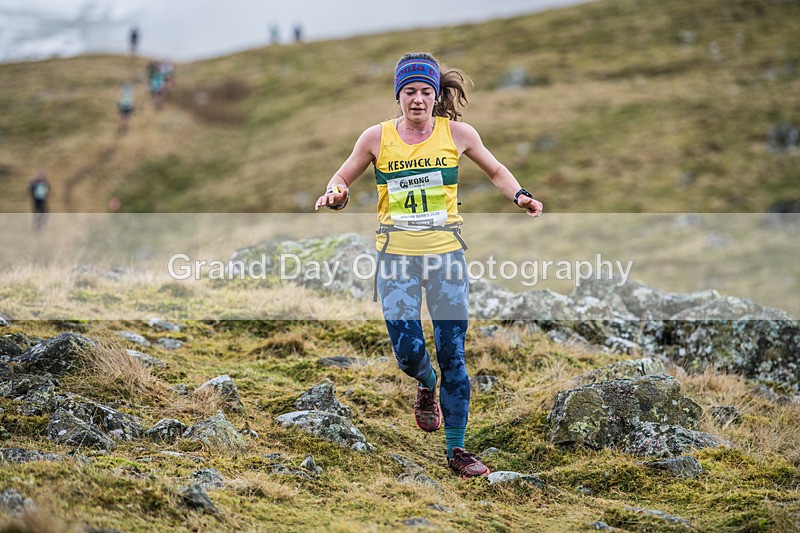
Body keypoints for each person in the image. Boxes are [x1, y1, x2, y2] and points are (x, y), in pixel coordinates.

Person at [315, 52, 543, 478]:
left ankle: (457, 450)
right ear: (398, 96)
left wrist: (520, 195)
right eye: (409, 92)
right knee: (406, 348)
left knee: (453, 352)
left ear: (436, 95)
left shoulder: (458, 134)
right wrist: (336, 194)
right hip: (397, 258)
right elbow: (342, 177)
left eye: (425, 91)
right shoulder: (375, 138)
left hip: (446, 258)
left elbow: (495, 170)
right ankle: (425, 382)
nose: (417, 99)